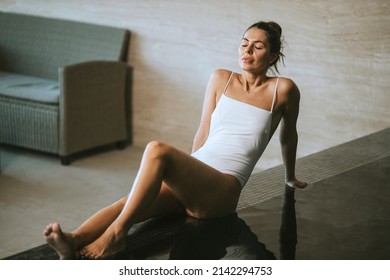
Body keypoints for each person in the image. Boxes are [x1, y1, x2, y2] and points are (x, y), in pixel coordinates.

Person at [43, 20, 307, 260]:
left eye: (257, 46)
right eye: (244, 43)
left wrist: (290, 176)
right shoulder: (221, 79)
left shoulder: (282, 90)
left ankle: (116, 235)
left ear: (272, 56)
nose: (247, 50)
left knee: (157, 150)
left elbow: (288, 135)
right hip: (200, 179)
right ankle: (72, 240)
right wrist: (188, 177)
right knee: (129, 202)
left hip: (223, 191)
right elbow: (203, 131)